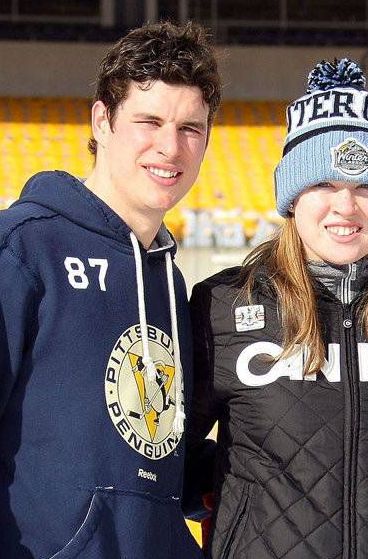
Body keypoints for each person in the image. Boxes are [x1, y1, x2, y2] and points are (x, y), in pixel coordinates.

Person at [184, 59, 368, 558]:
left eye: (365, 187)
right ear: (293, 197)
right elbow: (169, 456)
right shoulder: (224, 304)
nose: (346, 206)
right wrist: (245, 498)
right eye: (323, 186)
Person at [0, 21, 221, 558]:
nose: (170, 147)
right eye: (149, 121)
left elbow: (148, 457)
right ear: (102, 120)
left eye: (191, 128)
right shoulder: (26, 247)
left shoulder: (168, 279)